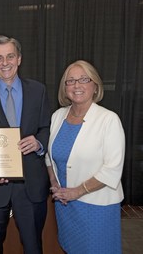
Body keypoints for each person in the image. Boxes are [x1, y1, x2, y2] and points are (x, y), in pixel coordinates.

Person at [0, 35, 51, 253]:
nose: (5, 63)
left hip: (31, 184)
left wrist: (39, 143)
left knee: (34, 247)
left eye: (10, 56)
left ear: (19, 59)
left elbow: (46, 128)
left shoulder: (38, 91)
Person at [46, 60, 125, 253]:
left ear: (95, 86)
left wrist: (77, 191)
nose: (76, 85)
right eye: (70, 81)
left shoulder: (109, 120)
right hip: (65, 205)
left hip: (96, 206)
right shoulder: (57, 116)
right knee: (70, 248)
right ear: (64, 89)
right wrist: (54, 182)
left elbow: (112, 169)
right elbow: (49, 156)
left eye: (83, 79)